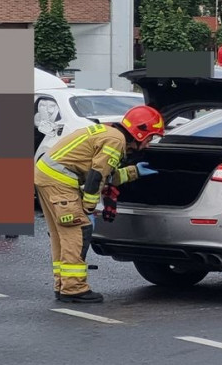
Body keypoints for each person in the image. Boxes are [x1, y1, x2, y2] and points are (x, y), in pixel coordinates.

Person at [34, 105, 164, 304]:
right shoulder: (116, 140)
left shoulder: (109, 132)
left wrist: (133, 172)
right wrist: (89, 208)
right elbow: (96, 177)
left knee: (62, 235)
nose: (149, 144)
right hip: (59, 181)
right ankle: (74, 289)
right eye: (150, 138)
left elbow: (104, 174)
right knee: (77, 231)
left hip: (48, 177)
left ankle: (64, 285)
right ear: (140, 131)